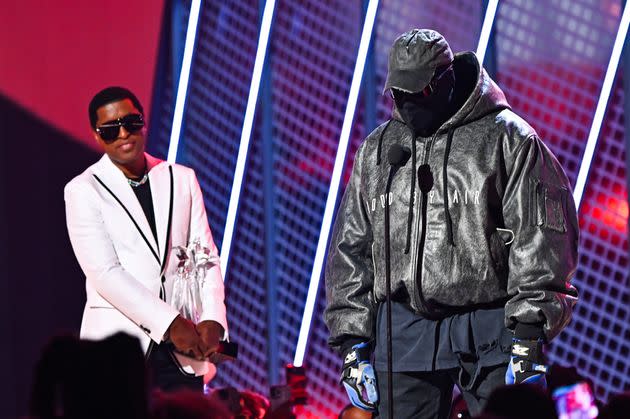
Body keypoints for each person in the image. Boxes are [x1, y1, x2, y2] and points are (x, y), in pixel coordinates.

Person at [324, 29, 579, 418]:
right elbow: (352, 248)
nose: (407, 104)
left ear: (446, 79)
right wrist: (352, 345)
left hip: (491, 325)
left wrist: (528, 334)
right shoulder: (379, 152)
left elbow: (542, 238)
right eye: (399, 94)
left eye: (419, 92)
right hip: (404, 327)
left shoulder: (508, 139)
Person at [65, 86, 228, 391]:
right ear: (97, 137)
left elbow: (204, 257)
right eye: (111, 130)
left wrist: (213, 318)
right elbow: (104, 273)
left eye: (131, 122)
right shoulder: (84, 190)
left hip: (183, 353)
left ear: (143, 122)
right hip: (117, 351)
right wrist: (170, 323)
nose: (124, 133)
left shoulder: (181, 178)